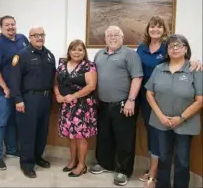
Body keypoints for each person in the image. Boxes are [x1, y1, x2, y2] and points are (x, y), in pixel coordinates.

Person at [136, 16, 203, 188]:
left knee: (182, 161)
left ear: (186, 49)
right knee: (164, 158)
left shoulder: (195, 69)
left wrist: (180, 118)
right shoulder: (159, 68)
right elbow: (149, 93)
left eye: (179, 46)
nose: (174, 49)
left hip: (185, 123)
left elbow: (200, 100)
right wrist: (161, 116)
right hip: (161, 121)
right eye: (172, 46)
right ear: (167, 51)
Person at [90, 25, 143, 186]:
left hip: (123, 104)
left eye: (116, 35)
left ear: (122, 37)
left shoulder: (130, 54)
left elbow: (137, 77)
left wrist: (131, 100)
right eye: (109, 35)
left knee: (124, 139)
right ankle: (106, 164)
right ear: (105, 38)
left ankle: (123, 171)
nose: (112, 38)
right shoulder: (99, 54)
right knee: (105, 136)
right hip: (103, 104)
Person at [9, 26, 56, 178]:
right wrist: (18, 100)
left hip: (45, 98)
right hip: (29, 99)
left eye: (42, 34)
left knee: (42, 131)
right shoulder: (21, 55)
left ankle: (37, 157)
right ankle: (27, 163)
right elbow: (14, 80)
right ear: (30, 37)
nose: (39, 37)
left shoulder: (49, 55)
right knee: (28, 132)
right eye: (36, 35)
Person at [0, 15, 29, 170]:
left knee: (12, 122)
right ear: (1, 27)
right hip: (3, 92)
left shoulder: (22, 38)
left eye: (13, 24)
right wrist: (5, 87)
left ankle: (12, 150)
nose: (11, 27)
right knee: (0, 123)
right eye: (7, 25)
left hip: (18, 91)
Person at [54, 39, 98, 178]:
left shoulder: (89, 66)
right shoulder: (62, 65)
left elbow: (91, 86)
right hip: (66, 106)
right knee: (70, 136)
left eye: (80, 49)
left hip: (83, 106)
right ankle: (73, 161)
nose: (77, 52)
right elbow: (55, 83)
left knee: (80, 136)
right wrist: (58, 95)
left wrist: (74, 96)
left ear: (84, 52)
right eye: (74, 49)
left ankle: (81, 165)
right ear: (69, 51)